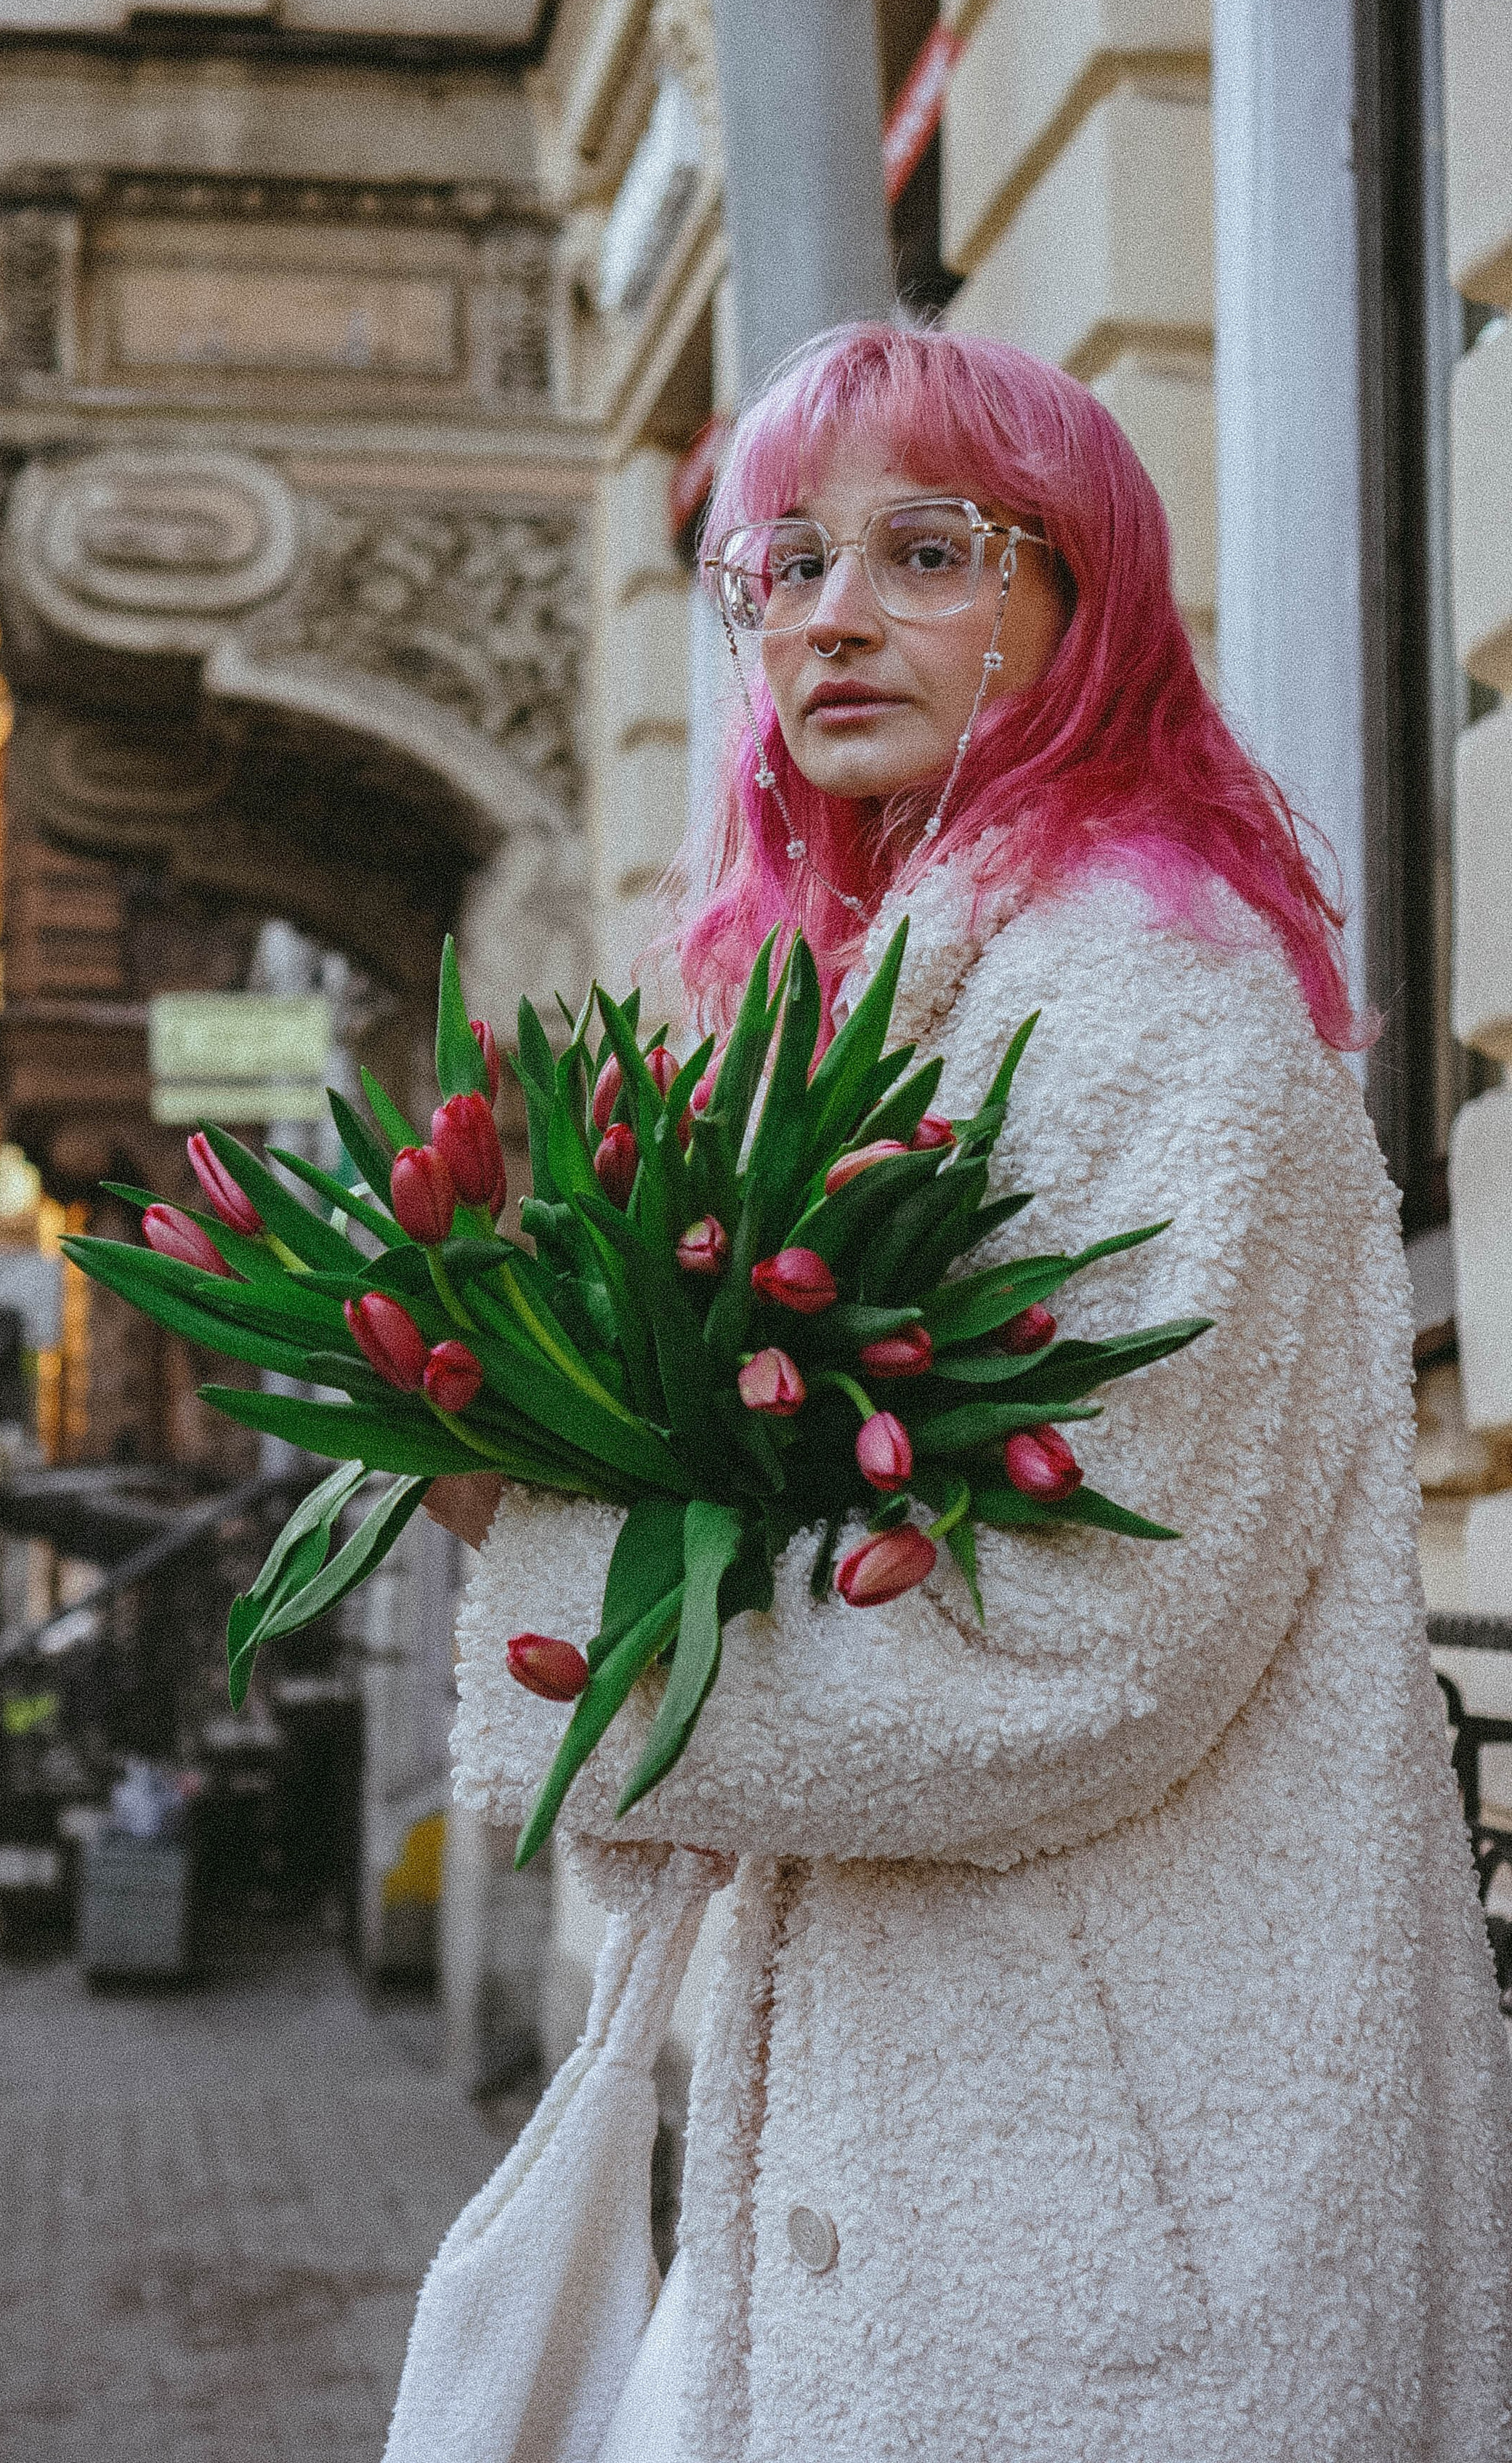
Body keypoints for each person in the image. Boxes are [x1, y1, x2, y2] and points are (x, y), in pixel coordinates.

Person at [395, 323, 1512, 2462]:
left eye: (924, 552)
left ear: (1072, 602)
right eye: (783, 568)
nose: (832, 616)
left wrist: (544, 1568)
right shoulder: (882, 1017)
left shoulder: (1152, 1026)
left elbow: (1079, 1662)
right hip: (923, 2127)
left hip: (1121, 2157)